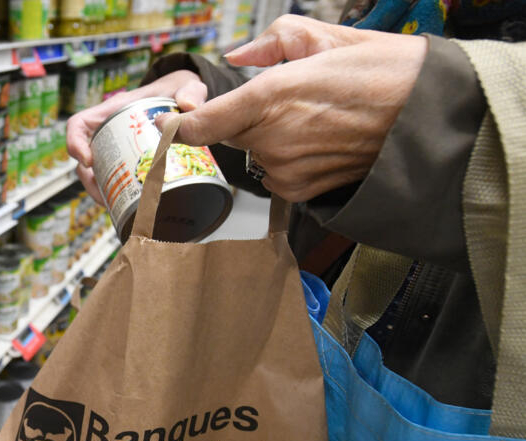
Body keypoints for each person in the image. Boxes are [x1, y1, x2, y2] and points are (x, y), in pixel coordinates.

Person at [67, 12, 526, 413]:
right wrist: (205, 94)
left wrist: (434, 118)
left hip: (467, 398)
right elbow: (340, 94)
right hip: (325, 335)